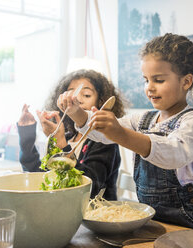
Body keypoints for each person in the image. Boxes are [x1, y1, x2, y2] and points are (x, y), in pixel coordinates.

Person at [58, 33, 193, 229]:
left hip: (188, 224)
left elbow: (174, 153)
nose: (149, 88)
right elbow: (101, 134)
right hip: (151, 220)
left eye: (158, 80)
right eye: (146, 80)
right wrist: (77, 114)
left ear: (186, 81)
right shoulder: (143, 119)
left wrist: (120, 134)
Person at [17, 69, 126, 200]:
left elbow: (90, 188)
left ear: (100, 101)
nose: (77, 100)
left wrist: (62, 144)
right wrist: (26, 136)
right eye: (71, 95)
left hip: (96, 215)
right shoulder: (67, 137)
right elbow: (39, 176)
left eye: (86, 95)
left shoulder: (105, 141)